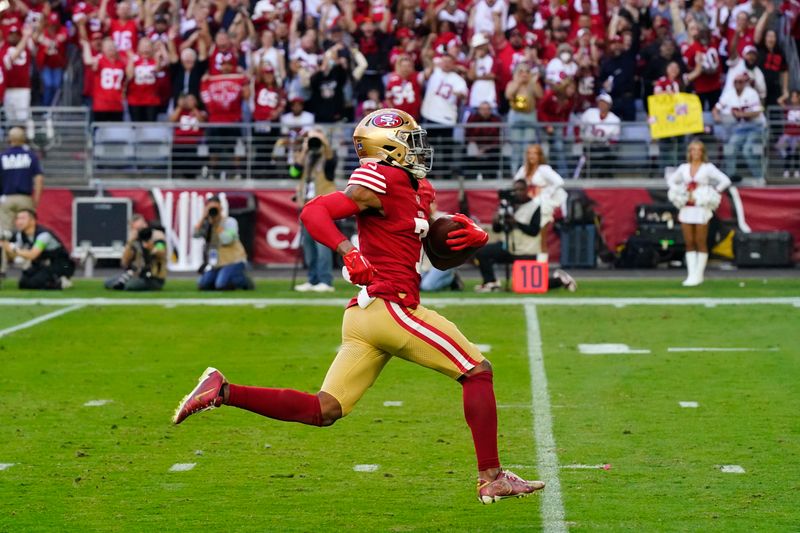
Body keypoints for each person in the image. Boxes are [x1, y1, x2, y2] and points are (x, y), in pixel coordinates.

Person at [172, 108, 546, 504]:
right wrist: (348, 251)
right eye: (411, 141)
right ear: (388, 147)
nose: (419, 149)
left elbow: (433, 253)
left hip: (365, 316)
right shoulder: (380, 176)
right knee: (477, 372)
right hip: (391, 306)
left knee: (325, 409)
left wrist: (467, 240)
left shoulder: (416, 187)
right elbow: (313, 211)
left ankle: (222, 390)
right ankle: (491, 477)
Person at [473, 179, 577, 293]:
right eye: (515, 190)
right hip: (509, 247)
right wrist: (496, 221)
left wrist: (516, 223)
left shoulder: (535, 207)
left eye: (521, 189)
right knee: (482, 252)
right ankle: (491, 282)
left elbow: (534, 231)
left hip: (527, 251)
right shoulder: (508, 205)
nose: (518, 192)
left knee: (529, 286)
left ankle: (561, 280)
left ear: (527, 190)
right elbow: (497, 230)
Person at [666, 140, 731, 287]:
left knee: (700, 241)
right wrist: (679, 190)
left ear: (703, 152)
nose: (695, 152)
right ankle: (691, 274)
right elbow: (671, 181)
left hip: (701, 207)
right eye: (692, 150)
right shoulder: (683, 168)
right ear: (689, 152)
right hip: (687, 207)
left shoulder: (708, 168)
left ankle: (699, 275)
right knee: (689, 241)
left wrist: (712, 192)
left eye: (698, 150)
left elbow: (725, 181)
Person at [292, 129, 337, 293]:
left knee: (322, 244)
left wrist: (323, 141)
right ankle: (313, 279)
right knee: (308, 245)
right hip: (307, 206)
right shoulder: (307, 159)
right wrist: (304, 149)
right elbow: (294, 172)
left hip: (323, 205)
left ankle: (326, 280)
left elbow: (332, 161)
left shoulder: (328, 157)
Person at [0, 127, 44, 277]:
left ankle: (2, 268)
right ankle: (28, 265)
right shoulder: (30, 156)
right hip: (25, 198)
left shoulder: (2, 156)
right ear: (24, 139)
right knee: (28, 233)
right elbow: (38, 178)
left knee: (3, 234)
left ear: (9, 139)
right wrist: (36, 200)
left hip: (6, 198)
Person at [512, 144, 567, 256]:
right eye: (529, 153)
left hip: (543, 203)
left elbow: (560, 182)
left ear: (540, 156)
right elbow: (516, 183)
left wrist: (545, 191)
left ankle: (542, 263)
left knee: (542, 236)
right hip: (529, 204)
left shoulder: (544, 169)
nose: (531, 156)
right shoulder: (523, 169)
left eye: (534, 153)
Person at [0, 209, 75, 290]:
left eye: (22, 218)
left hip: (62, 264)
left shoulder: (43, 235)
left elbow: (33, 255)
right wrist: (6, 247)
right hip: (42, 264)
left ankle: (61, 280)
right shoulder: (20, 235)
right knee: (23, 283)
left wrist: (13, 249)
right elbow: (13, 255)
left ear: (33, 221)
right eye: (17, 218)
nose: (19, 221)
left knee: (36, 282)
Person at [712, 72, 765, 179]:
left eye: (740, 81)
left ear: (745, 83)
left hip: (756, 127)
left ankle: (759, 177)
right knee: (729, 147)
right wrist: (716, 116)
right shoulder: (729, 93)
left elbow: (757, 112)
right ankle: (730, 176)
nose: (738, 84)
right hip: (741, 128)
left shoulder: (751, 93)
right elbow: (716, 108)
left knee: (747, 150)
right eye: (735, 82)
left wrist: (741, 114)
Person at [194, 196, 254, 291]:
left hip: (234, 260)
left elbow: (227, 240)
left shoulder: (230, 222)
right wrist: (203, 217)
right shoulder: (207, 224)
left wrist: (217, 225)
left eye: (215, 208)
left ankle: (243, 280)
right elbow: (195, 235)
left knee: (221, 285)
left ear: (221, 208)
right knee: (203, 284)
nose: (213, 212)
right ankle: (222, 276)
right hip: (217, 263)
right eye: (211, 209)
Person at [104, 214, 167, 291]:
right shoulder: (134, 240)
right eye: (136, 229)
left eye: (141, 228)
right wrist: (130, 243)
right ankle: (127, 283)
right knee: (108, 283)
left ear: (146, 225)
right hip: (135, 274)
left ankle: (128, 284)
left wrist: (151, 248)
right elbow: (124, 263)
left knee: (129, 286)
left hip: (153, 277)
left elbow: (162, 253)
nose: (140, 231)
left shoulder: (157, 236)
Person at [579, 94, 621, 178]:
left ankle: (604, 176)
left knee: (609, 154)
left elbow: (615, 139)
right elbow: (580, 127)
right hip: (589, 144)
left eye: (604, 102)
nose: (601, 104)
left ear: (609, 105)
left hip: (604, 145)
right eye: (600, 102)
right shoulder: (589, 112)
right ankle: (586, 176)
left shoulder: (615, 119)